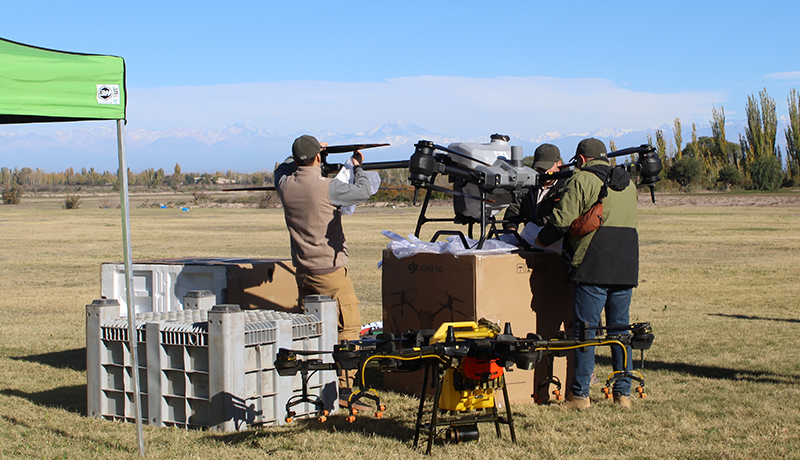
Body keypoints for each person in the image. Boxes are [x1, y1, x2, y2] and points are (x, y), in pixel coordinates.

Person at [535, 138, 639, 409]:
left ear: (581, 159)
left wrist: (540, 239)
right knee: (620, 331)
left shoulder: (581, 180)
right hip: (626, 264)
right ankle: (623, 394)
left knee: (586, 331)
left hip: (593, 263)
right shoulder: (629, 184)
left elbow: (560, 220)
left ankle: (580, 395)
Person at [274, 134, 373, 390]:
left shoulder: (285, 185)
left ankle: (312, 384)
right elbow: (364, 191)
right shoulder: (327, 187)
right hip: (330, 273)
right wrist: (358, 165)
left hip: (303, 271)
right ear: (318, 157)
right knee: (348, 330)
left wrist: (303, 155)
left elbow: (282, 169)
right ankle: (345, 389)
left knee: (311, 330)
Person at [503, 143, 568, 246]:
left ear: (558, 164)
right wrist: (512, 231)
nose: (544, 172)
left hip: (554, 246)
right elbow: (514, 210)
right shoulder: (530, 185)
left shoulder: (567, 188)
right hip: (530, 243)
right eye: (540, 168)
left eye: (547, 168)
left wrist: (544, 239)